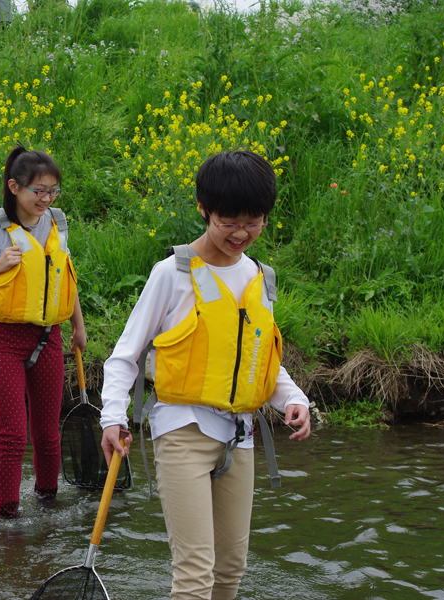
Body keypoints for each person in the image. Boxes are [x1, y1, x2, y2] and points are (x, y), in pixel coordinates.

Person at [99, 150, 312, 600]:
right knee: (195, 573)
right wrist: (112, 416)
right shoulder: (171, 274)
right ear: (203, 209)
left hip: (241, 436)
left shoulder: (261, 277)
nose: (241, 233)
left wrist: (293, 399)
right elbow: (125, 355)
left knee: (230, 570)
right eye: (229, 220)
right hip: (183, 433)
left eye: (254, 222)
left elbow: (260, 363)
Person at [0, 146, 86, 519]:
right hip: (5, 340)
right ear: (14, 186)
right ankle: (7, 515)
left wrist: (78, 325)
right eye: (38, 190)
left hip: (48, 336)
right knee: (13, 433)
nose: (46, 199)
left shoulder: (57, 220)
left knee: (47, 433)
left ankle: (47, 502)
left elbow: (65, 277)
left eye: (52, 191)